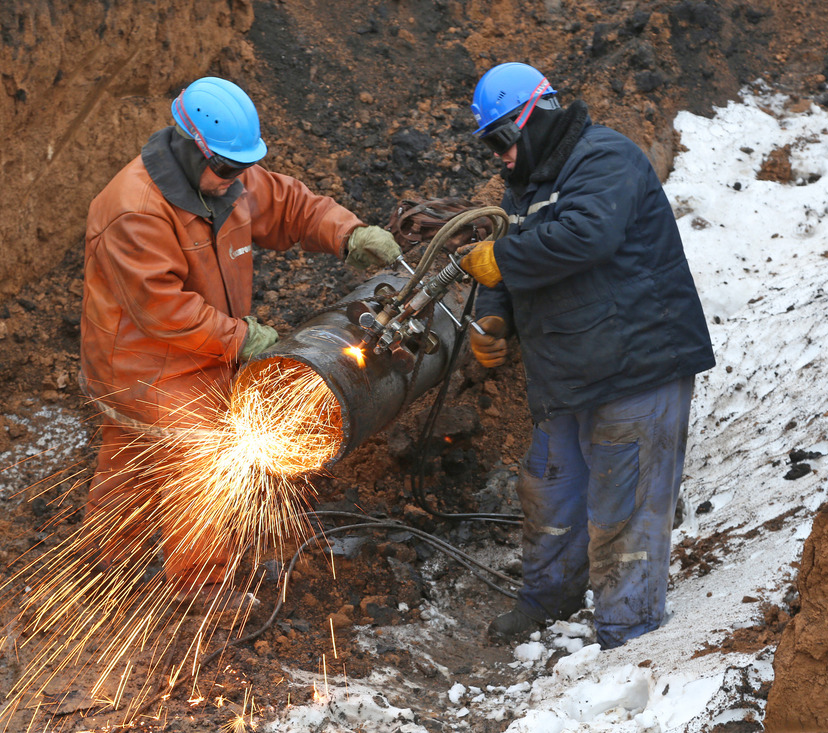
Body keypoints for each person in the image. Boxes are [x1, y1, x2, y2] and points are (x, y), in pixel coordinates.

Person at [79, 76, 401, 599]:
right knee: (203, 453)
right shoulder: (134, 210)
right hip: (142, 361)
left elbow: (294, 207)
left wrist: (348, 233)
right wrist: (241, 337)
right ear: (188, 147)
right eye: (226, 169)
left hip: (196, 349)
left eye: (241, 169)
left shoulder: (228, 181)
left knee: (132, 457)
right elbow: (163, 309)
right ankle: (200, 582)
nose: (235, 181)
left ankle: (109, 559)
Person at [457, 62, 715, 649]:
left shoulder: (604, 158)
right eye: (489, 144)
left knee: (622, 508)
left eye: (502, 139)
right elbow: (514, 251)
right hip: (567, 373)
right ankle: (549, 597)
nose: (498, 156)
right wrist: (496, 312)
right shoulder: (525, 184)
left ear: (536, 116)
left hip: (635, 368)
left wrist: (502, 260)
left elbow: (586, 235)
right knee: (549, 491)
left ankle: (629, 632)